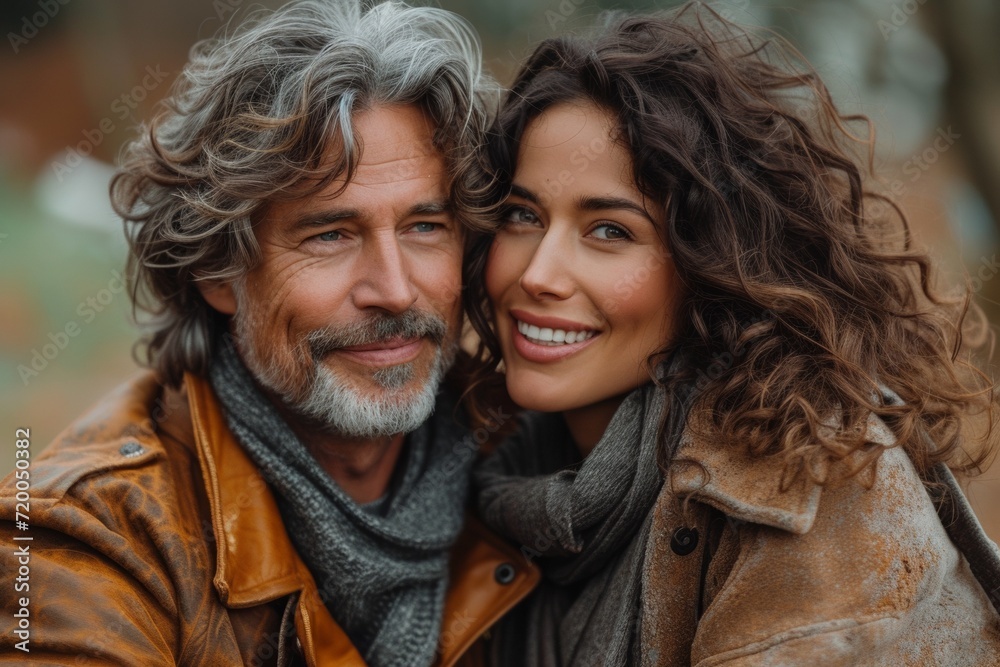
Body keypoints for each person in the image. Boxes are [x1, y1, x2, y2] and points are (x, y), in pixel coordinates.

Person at [0, 1, 539, 664]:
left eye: (424, 226)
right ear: (217, 270)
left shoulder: (534, 469)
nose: (395, 289)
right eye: (331, 234)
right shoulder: (81, 536)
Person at [464, 6, 1000, 666]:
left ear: (710, 263)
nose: (538, 273)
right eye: (522, 215)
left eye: (610, 230)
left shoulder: (817, 488)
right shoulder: (480, 469)